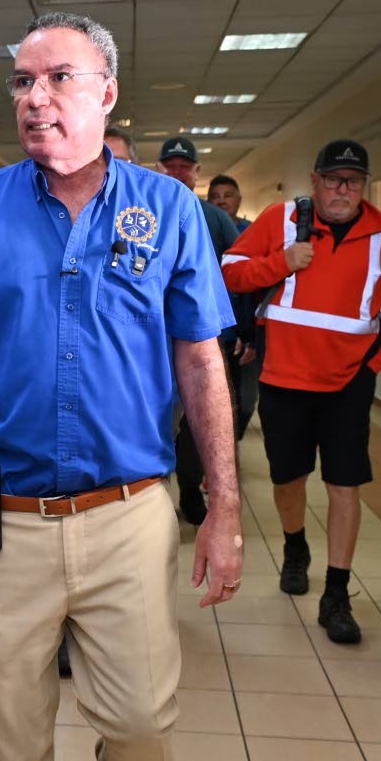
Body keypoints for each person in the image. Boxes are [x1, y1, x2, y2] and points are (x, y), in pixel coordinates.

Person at [0, 11, 243, 761]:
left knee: (141, 722)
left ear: (107, 92)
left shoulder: (168, 211)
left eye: (58, 78)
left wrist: (226, 505)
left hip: (128, 513)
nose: (34, 97)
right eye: (22, 81)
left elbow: (201, 363)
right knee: (12, 741)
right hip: (2, 522)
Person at [222, 139, 381, 643]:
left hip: (348, 385)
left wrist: (373, 364)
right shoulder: (283, 220)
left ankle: (336, 593)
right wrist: (282, 262)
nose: (343, 190)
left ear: (365, 185)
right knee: (289, 478)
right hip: (284, 379)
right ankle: (295, 546)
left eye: (353, 181)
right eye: (333, 180)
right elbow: (229, 273)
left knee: (344, 485)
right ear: (316, 181)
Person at [156, 137, 239, 523]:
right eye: (169, 165)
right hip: (154, 343)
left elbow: (237, 274)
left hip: (203, 336)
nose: (177, 172)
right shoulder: (145, 210)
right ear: (159, 167)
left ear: (195, 171)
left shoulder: (213, 217)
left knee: (196, 418)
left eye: (183, 166)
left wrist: (242, 332)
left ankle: (191, 488)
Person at [209, 173, 261, 439]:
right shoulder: (203, 230)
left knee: (246, 397)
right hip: (215, 331)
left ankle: (233, 439)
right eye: (215, 197)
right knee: (216, 397)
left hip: (246, 330)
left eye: (228, 195)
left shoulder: (253, 233)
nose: (222, 202)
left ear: (239, 199)